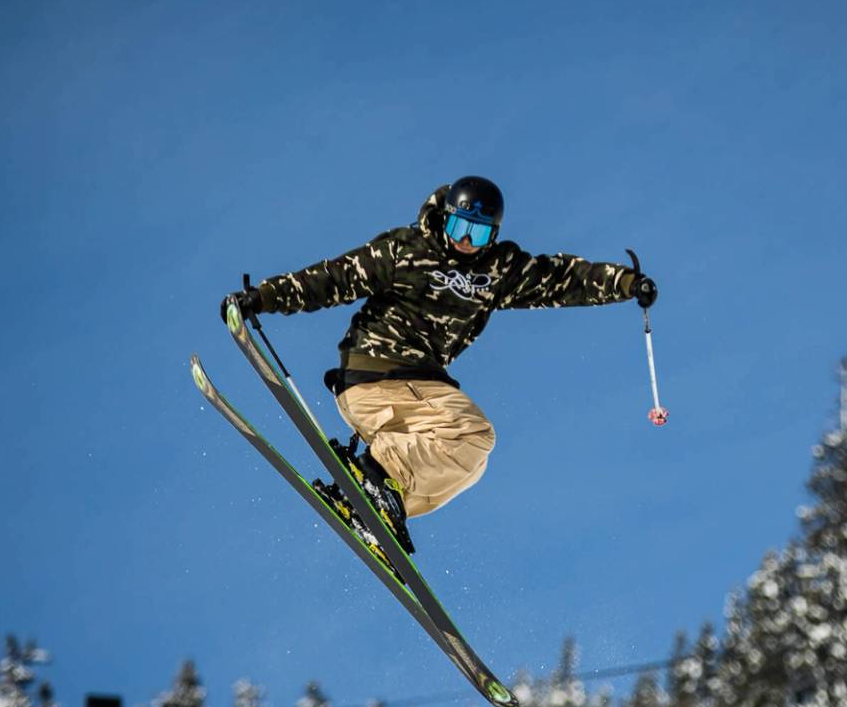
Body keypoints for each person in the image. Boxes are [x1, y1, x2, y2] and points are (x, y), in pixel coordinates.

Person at [223, 176, 657, 557]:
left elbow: (560, 278)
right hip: (378, 372)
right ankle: (377, 474)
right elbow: (333, 278)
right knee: (474, 433)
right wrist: (263, 298)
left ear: (494, 235)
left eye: (478, 233)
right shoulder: (406, 249)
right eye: (459, 227)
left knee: (470, 463)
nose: (466, 242)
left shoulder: (497, 270)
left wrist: (624, 283)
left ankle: (375, 502)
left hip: (412, 390)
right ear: (443, 217)